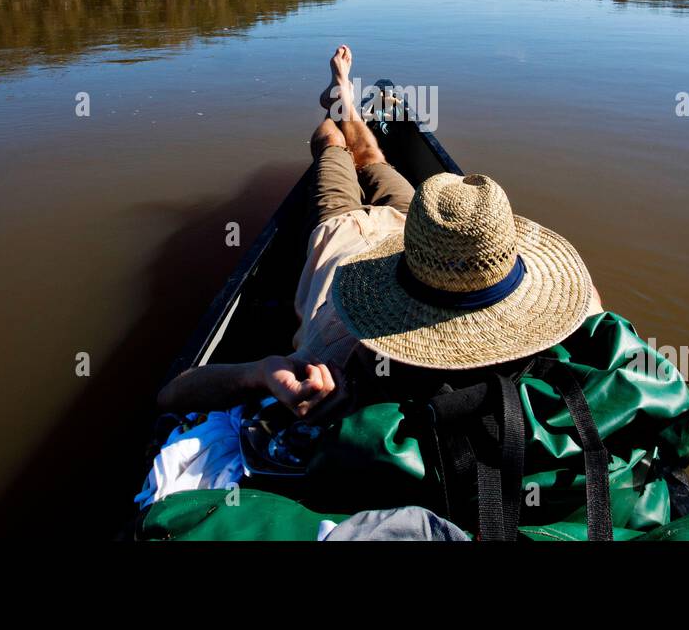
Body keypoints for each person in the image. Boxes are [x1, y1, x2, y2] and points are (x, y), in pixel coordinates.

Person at [155, 44, 603, 417]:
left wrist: (259, 372)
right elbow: (595, 313)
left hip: (343, 232)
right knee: (370, 156)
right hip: (417, 227)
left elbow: (172, 395)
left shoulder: (338, 355)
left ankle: (339, 105)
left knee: (331, 139)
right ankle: (344, 97)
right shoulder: (567, 324)